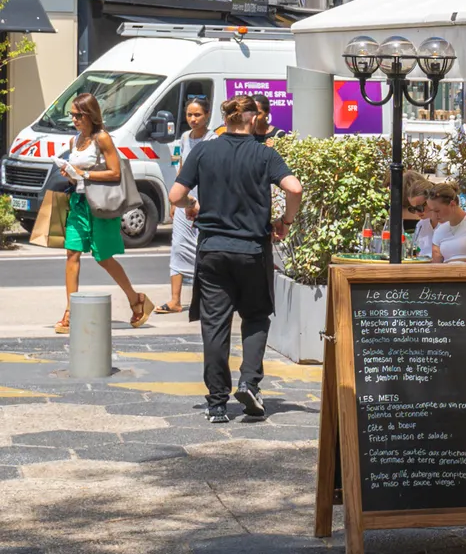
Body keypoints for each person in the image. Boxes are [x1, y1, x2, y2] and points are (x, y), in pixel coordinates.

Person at [170, 105, 303, 422]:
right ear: (253, 119)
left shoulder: (204, 151)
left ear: (225, 119)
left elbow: (176, 194)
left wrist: (192, 204)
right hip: (252, 249)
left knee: (214, 324)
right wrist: (286, 221)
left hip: (212, 250)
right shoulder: (263, 154)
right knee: (256, 316)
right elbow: (294, 187)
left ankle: (217, 403)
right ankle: (249, 383)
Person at [53, 92, 152, 333]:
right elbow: (78, 172)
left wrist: (84, 174)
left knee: (103, 256)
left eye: (78, 115)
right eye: (72, 115)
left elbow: (115, 173)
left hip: (101, 205)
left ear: (90, 114)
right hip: (79, 202)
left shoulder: (102, 138)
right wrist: (69, 173)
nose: (74, 119)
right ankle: (70, 310)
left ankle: (135, 299)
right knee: (71, 254)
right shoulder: (74, 140)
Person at [160, 95, 212, 314]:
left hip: (205, 201)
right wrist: (176, 199)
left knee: (205, 251)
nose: (193, 119)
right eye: (190, 115)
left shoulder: (213, 140)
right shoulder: (184, 137)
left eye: (198, 115)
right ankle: (175, 300)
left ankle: (205, 299)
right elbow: (181, 167)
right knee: (178, 246)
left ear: (207, 115)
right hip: (185, 199)